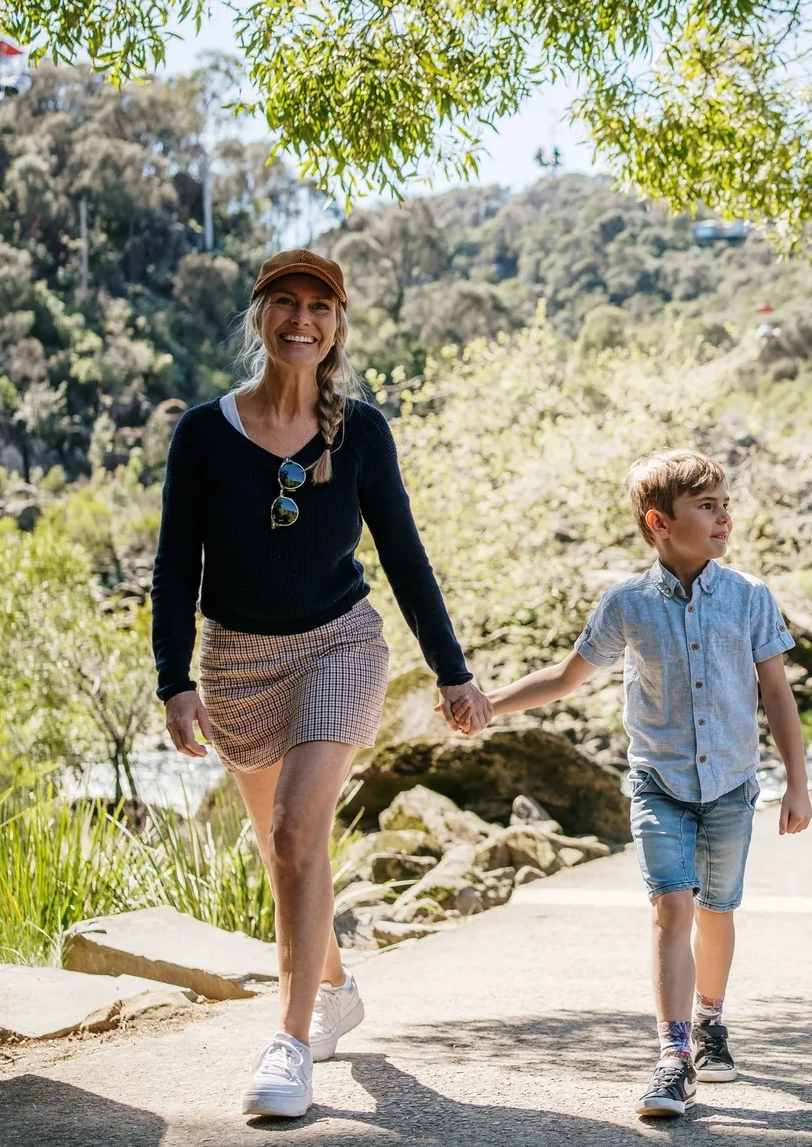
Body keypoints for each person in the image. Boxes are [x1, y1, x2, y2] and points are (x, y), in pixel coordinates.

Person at [152, 249, 492, 1118]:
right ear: (259, 315)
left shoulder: (361, 431)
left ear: (338, 325)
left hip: (340, 645)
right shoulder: (202, 432)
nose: (302, 319)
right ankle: (333, 986)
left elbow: (403, 556)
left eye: (320, 307)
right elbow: (173, 566)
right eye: (286, 303)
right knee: (283, 852)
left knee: (300, 832)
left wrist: (452, 671)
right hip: (236, 661)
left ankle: (291, 1040)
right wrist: (172, 678)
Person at [485, 449, 812, 1119]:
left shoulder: (750, 596)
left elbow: (776, 691)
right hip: (657, 783)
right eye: (707, 505)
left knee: (717, 910)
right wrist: (488, 704)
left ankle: (712, 1019)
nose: (724, 515)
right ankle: (674, 1053)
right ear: (659, 521)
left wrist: (799, 784)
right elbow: (565, 677)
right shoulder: (627, 604)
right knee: (672, 909)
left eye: (725, 503)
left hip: (730, 786)